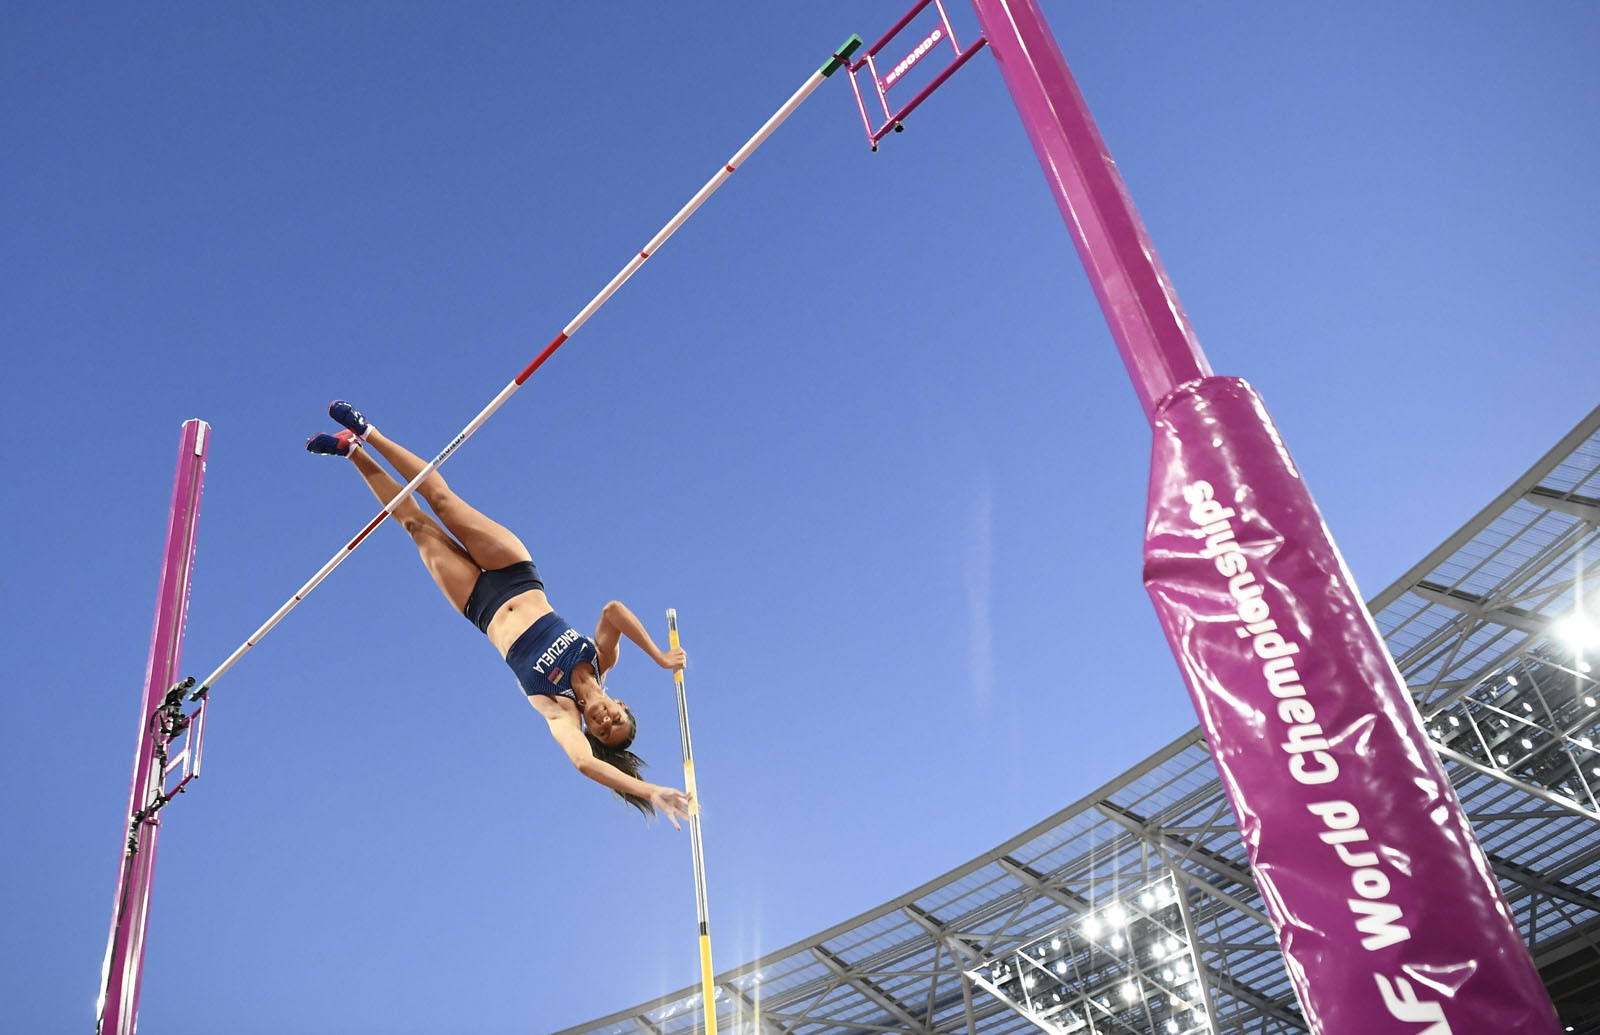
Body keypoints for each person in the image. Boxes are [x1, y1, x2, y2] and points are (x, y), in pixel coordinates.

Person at [306, 400, 693, 826]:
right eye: (615, 718)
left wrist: (649, 790)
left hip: (479, 605)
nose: (603, 721)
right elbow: (613, 610)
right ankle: (368, 431)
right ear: (620, 703)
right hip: (515, 572)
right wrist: (659, 657)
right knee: (441, 500)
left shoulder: (560, 712)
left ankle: (352, 451)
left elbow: (584, 765)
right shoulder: (602, 659)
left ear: (591, 731)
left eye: (602, 730)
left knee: (416, 526)